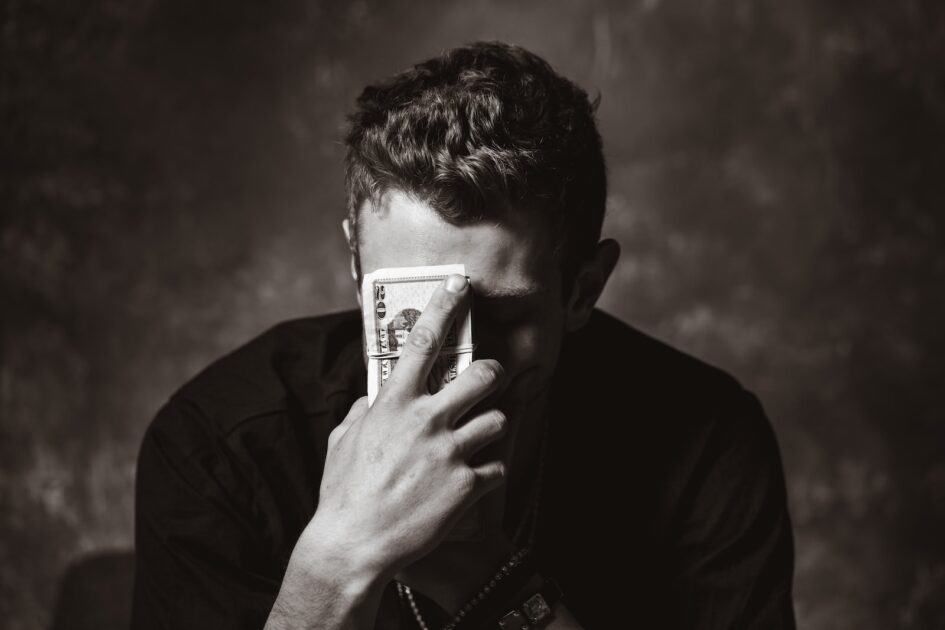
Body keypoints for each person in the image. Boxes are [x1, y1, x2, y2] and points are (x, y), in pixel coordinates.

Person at [132, 42, 795, 629]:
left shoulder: (706, 438)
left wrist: (475, 575)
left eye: (501, 315)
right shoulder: (221, 440)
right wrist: (333, 564)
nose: (462, 361)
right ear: (358, 267)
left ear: (582, 289)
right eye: (413, 309)